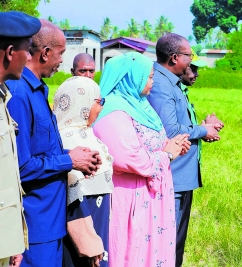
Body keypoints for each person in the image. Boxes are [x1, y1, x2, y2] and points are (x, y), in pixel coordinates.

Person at [6, 20, 102, 267]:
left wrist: (72, 156)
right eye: (61, 53)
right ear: (45, 53)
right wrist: (69, 160)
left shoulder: (37, 90)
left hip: (50, 220)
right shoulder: (18, 92)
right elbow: (19, 167)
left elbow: (40, 150)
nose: (62, 60)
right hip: (34, 223)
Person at [93, 52, 190, 267]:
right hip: (129, 198)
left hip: (150, 197)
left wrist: (172, 145)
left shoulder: (141, 107)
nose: (152, 82)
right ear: (131, 78)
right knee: (131, 253)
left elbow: (155, 144)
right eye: (149, 77)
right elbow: (130, 157)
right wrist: (167, 154)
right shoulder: (113, 112)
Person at [147, 33, 223, 267]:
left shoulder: (171, 82)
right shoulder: (161, 84)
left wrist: (204, 127)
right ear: (174, 57)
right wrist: (203, 129)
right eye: (189, 56)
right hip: (173, 175)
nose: (191, 61)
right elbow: (171, 130)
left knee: (177, 240)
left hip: (181, 174)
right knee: (171, 242)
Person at [53, 76, 114, 267]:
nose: (101, 107)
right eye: (98, 102)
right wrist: (89, 244)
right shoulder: (69, 142)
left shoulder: (87, 135)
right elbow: (74, 201)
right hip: (81, 236)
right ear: (82, 103)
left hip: (97, 224)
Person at [0, 11, 40, 267]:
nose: (29, 58)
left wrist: (12, 239)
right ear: (10, 52)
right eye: (28, 50)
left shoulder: (4, 98)